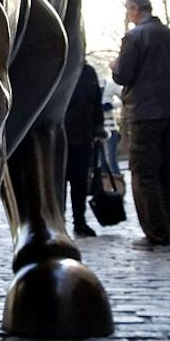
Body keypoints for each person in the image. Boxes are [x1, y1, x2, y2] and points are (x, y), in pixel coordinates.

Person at [110, 0, 170, 247]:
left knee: (144, 174)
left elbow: (123, 75)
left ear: (134, 8)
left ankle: (156, 232)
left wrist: (114, 64)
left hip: (144, 113)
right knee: (167, 170)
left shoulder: (134, 37)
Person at [63, 61, 106, 239]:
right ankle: (57, 222)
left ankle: (79, 222)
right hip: (58, 137)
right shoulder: (57, 66)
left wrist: (98, 129)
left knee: (79, 182)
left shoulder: (87, 71)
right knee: (58, 183)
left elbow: (96, 102)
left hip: (82, 136)